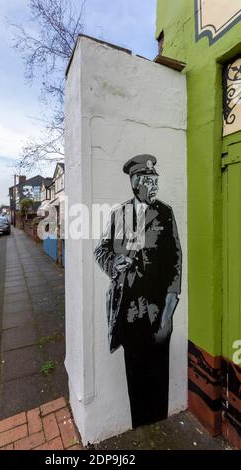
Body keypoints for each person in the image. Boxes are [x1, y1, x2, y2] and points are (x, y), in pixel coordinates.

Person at [94, 154, 182, 428]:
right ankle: (140, 431)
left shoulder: (165, 213)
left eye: (155, 180)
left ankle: (160, 428)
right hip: (129, 313)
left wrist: (168, 315)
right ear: (134, 183)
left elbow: (175, 262)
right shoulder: (118, 214)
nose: (154, 185)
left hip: (159, 312)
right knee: (136, 377)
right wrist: (113, 263)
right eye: (148, 180)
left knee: (158, 378)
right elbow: (101, 250)